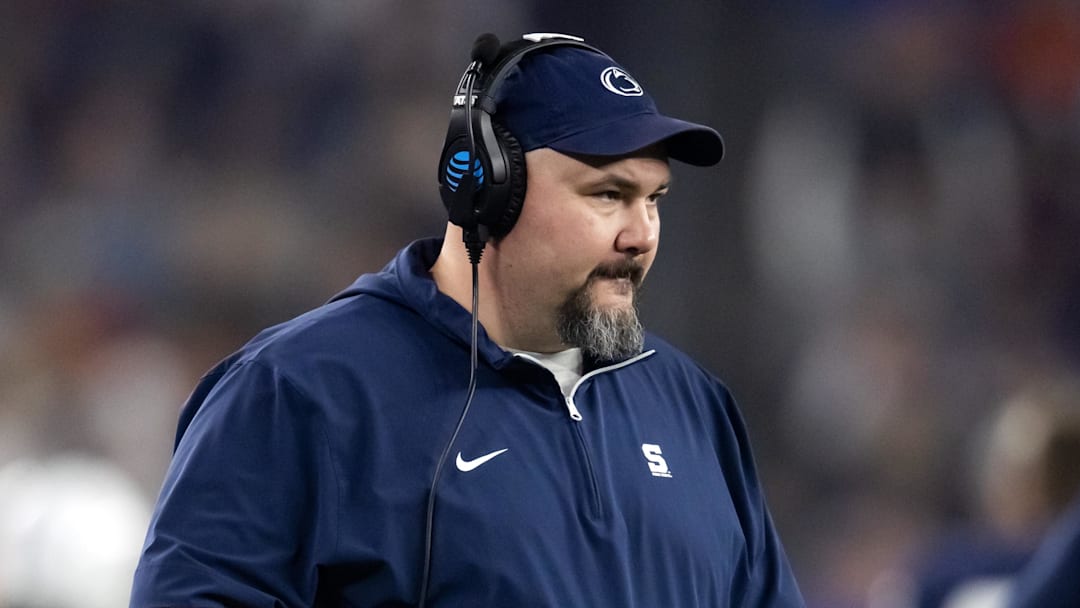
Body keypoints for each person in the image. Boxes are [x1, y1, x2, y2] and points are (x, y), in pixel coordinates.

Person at [129, 32, 805, 607]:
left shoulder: (692, 406)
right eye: (608, 194)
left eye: (654, 199)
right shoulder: (300, 392)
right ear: (485, 186)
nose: (642, 234)